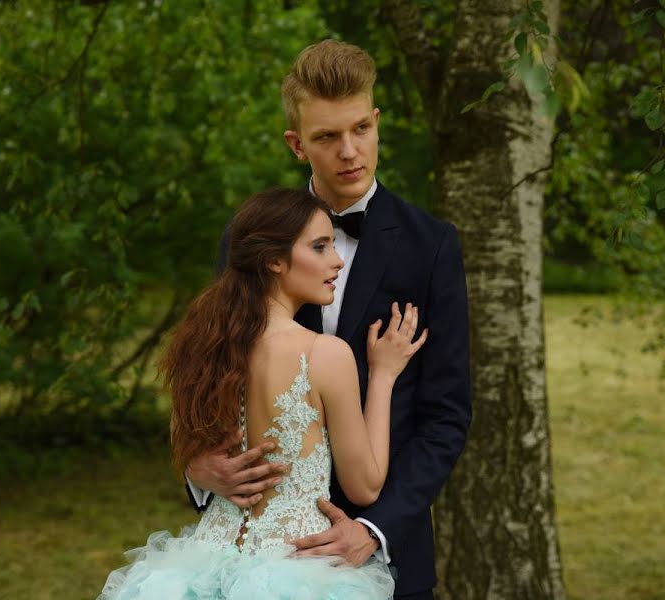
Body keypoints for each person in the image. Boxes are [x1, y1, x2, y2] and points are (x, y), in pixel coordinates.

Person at [186, 40, 472, 599]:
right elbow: (209, 372)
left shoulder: (432, 246)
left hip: (384, 559)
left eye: (361, 128)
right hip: (249, 558)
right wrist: (197, 469)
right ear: (297, 144)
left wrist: (374, 530)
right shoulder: (249, 238)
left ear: (377, 122)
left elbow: (446, 414)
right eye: (326, 137)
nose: (349, 150)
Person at [100, 187, 426, 598]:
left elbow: (186, 450)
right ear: (274, 260)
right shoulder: (325, 354)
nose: (337, 260)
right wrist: (383, 377)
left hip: (201, 570)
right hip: (297, 573)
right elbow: (365, 486)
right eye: (320, 247)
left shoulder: (202, 344)